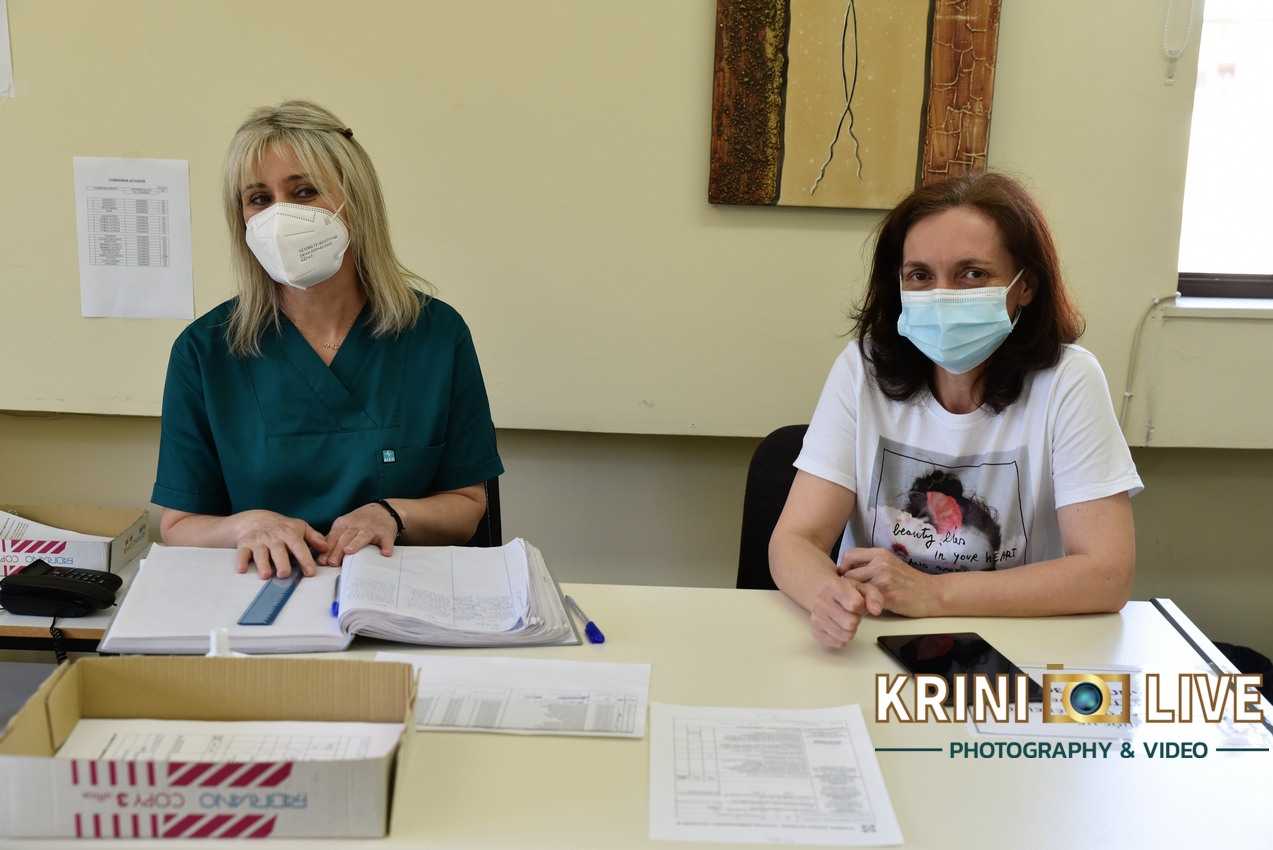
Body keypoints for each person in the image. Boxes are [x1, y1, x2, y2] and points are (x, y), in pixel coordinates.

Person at [769, 173, 1142, 649]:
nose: (942, 296)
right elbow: (794, 541)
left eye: (972, 274)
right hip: (877, 638)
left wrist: (933, 594)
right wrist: (827, 595)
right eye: (920, 276)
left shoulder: (1068, 380)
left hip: (1019, 645)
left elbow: (1107, 575)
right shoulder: (862, 368)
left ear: (1025, 286)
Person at [152, 101, 503, 579]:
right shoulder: (205, 350)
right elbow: (178, 524)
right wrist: (246, 527)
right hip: (262, 593)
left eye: (305, 191)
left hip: (397, 588)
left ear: (354, 200)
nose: (281, 215)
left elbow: (467, 505)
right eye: (259, 199)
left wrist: (392, 515)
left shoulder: (436, 335)